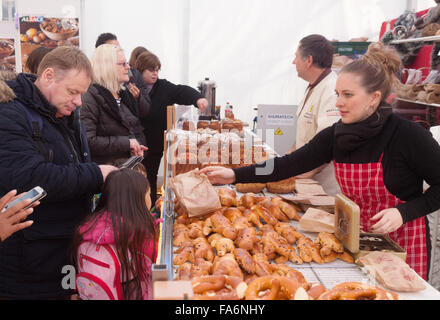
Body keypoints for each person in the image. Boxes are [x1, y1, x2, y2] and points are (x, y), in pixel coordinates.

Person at [201, 42, 440, 280]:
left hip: (404, 243)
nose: (338, 103)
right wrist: (235, 175)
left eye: (348, 95)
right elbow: (288, 164)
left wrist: (403, 212)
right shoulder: (338, 135)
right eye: (337, 94)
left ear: (374, 98)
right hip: (358, 241)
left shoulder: (408, 135)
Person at [0, 46, 117, 299]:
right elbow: (30, 179)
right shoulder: (10, 114)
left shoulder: (64, 113)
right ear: (49, 76)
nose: (78, 101)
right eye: (72, 92)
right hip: (28, 264)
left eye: (81, 94)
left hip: (60, 250)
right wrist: (96, 175)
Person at [133, 51, 209, 204]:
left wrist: (198, 98)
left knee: (150, 177)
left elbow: (181, 91)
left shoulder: (163, 87)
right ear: (140, 70)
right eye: (151, 70)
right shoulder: (132, 87)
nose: (155, 74)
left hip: (154, 145)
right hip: (133, 144)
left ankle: (151, 208)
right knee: (134, 181)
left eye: (157, 70)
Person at [73, 168, 158, 300]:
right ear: (137, 200)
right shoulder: (138, 234)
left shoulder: (88, 228)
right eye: (148, 194)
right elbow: (151, 278)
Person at [286, 34, 341, 196]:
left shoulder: (332, 90)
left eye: (296, 57)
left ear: (308, 60)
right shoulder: (313, 87)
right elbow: (305, 134)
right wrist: (287, 158)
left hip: (324, 190)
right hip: (307, 182)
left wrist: (307, 171)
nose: (293, 62)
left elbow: (332, 141)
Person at [81, 44, 148, 165]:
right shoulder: (89, 97)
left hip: (125, 167)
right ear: (107, 67)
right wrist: (127, 143)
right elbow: (88, 141)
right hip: (106, 174)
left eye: (127, 63)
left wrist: (133, 147)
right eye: (123, 64)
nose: (128, 67)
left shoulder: (123, 94)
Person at [95, 33, 151, 109]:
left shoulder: (134, 75)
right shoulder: (92, 81)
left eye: (119, 48)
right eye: (114, 49)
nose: (127, 67)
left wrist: (138, 98)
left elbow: (146, 108)